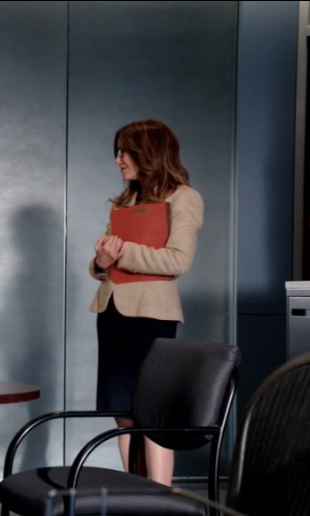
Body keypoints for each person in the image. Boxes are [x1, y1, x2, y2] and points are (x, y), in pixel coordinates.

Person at [89, 119, 203, 486]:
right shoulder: (126, 201)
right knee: (121, 411)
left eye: (125, 152)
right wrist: (101, 261)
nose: (118, 160)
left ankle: (160, 494)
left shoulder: (183, 198)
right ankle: (132, 489)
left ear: (148, 153)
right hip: (112, 314)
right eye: (118, 152)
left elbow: (178, 261)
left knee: (151, 411)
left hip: (150, 318)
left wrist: (122, 253)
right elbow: (102, 264)